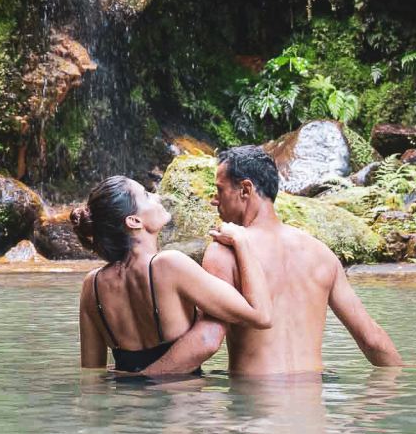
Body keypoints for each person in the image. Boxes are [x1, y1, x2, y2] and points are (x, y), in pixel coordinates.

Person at [139, 145, 401, 377]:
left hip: (256, 412)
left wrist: (141, 380)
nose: (213, 200)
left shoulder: (225, 251)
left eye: (219, 190)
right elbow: (372, 340)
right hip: (310, 415)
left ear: (245, 190)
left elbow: (208, 338)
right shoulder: (322, 253)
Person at [77, 175, 276, 372]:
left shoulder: (91, 284)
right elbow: (261, 315)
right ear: (134, 221)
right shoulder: (169, 264)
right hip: (180, 402)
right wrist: (241, 241)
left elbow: (92, 374)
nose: (158, 198)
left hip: (123, 402)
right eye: (147, 195)